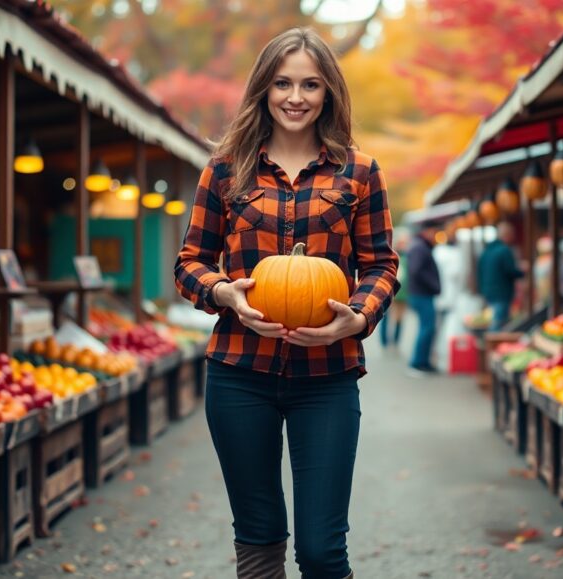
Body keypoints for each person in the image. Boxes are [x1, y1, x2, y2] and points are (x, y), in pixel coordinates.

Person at [173, 28, 399, 579]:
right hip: (238, 374)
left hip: (327, 376)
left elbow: (381, 266)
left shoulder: (359, 171)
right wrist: (224, 292)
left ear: (328, 92)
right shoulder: (225, 169)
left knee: (322, 550)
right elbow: (189, 263)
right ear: (263, 89)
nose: (295, 97)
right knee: (258, 537)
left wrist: (356, 318)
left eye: (310, 84)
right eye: (282, 83)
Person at [405, 227, 441, 374]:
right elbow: (416, 270)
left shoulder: (418, 245)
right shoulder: (420, 247)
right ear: (427, 231)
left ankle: (423, 361)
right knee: (427, 328)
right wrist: (434, 285)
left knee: (426, 328)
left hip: (420, 293)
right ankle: (418, 362)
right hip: (422, 294)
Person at [478, 222, 524, 330]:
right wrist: (523, 271)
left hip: (488, 292)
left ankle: (491, 338)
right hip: (501, 292)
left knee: (494, 319)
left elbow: (480, 271)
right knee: (498, 322)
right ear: (507, 235)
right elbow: (510, 271)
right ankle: (492, 339)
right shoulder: (504, 250)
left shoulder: (487, 250)